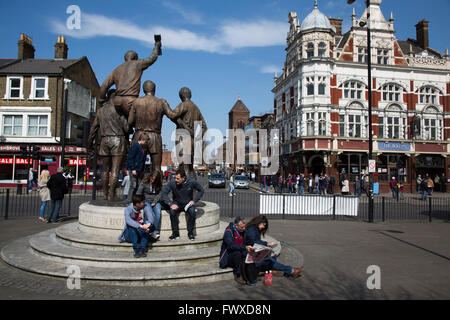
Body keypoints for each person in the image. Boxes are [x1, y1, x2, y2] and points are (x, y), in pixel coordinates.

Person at [98, 39, 162, 118]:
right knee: (143, 120)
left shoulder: (116, 70)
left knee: (124, 124)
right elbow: (152, 58)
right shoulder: (137, 64)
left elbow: (104, 86)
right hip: (130, 101)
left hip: (117, 101)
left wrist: (102, 101)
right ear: (135, 58)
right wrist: (157, 45)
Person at [128, 80, 179, 175]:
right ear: (154, 90)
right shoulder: (161, 102)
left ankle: (137, 188)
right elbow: (172, 115)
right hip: (155, 136)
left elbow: (130, 121)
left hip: (139, 135)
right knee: (156, 167)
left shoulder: (136, 102)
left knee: (136, 165)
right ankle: (157, 189)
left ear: (143, 90)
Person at [244, 215, 304, 285]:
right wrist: (267, 244)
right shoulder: (252, 230)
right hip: (250, 252)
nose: (263, 227)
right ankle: (291, 270)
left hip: (254, 250)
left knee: (272, 255)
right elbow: (254, 242)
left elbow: (255, 242)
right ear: (259, 222)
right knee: (270, 260)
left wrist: (266, 246)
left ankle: (280, 269)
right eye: (263, 225)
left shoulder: (254, 229)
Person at [161, 168, 205, 241]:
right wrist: (170, 204)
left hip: (188, 203)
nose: (176, 180)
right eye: (175, 178)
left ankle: (190, 232)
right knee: (172, 211)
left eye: (178, 179)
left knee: (192, 212)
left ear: (183, 178)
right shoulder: (172, 182)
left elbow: (201, 190)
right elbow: (164, 193)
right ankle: (175, 233)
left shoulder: (192, 182)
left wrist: (194, 201)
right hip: (177, 203)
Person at [219, 217, 254, 285]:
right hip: (229, 256)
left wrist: (251, 245)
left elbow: (248, 241)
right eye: (242, 227)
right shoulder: (228, 232)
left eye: (244, 227)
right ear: (236, 226)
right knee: (237, 254)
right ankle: (238, 275)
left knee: (249, 253)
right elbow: (231, 246)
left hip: (240, 251)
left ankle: (250, 274)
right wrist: (245, 247)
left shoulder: (243, 231)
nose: (244, 229)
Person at [136, 170, 163, 240]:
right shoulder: (144, 182)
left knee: (158, 213)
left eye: (154, 179)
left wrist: (155, 202)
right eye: (151, 178)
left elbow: (160, 194)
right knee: (149, 213)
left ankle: (155, 231)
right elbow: (139, 193)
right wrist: (141, 202)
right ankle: (149, 230)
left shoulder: (158, 184)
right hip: (146, 200)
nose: (152, 180)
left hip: (155, 201)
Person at [126, 133, 147, 201]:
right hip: (134, 169)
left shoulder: (140, 147)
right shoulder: (135, 146)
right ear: (142, 140)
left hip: (138, 169)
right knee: (133, 185)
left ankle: (134, 199)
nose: (146, 143)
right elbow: (130, 157)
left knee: (137, 185)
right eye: (145, 141)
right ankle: (129, 200)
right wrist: (133, 169)